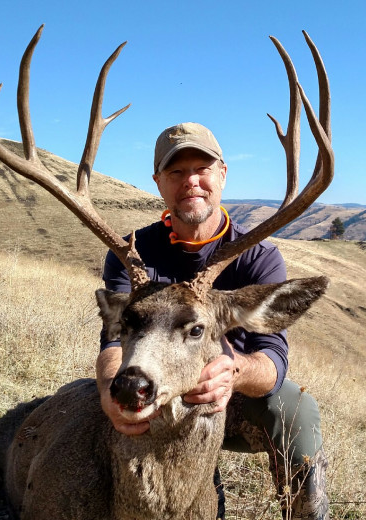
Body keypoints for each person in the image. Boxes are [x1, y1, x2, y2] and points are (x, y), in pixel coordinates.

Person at [96, 122, 329, 520]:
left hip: (230, 397)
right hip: (156, 391)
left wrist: (231, 373)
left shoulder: (258, 257)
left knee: (297, 410)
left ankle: (307, 514)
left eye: (202, 169)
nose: (191, 181)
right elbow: (115, 338)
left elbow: (273, 356)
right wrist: (108, 392)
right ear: (159, 182)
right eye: (176, 172)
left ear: (222, 174)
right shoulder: (132, 254)